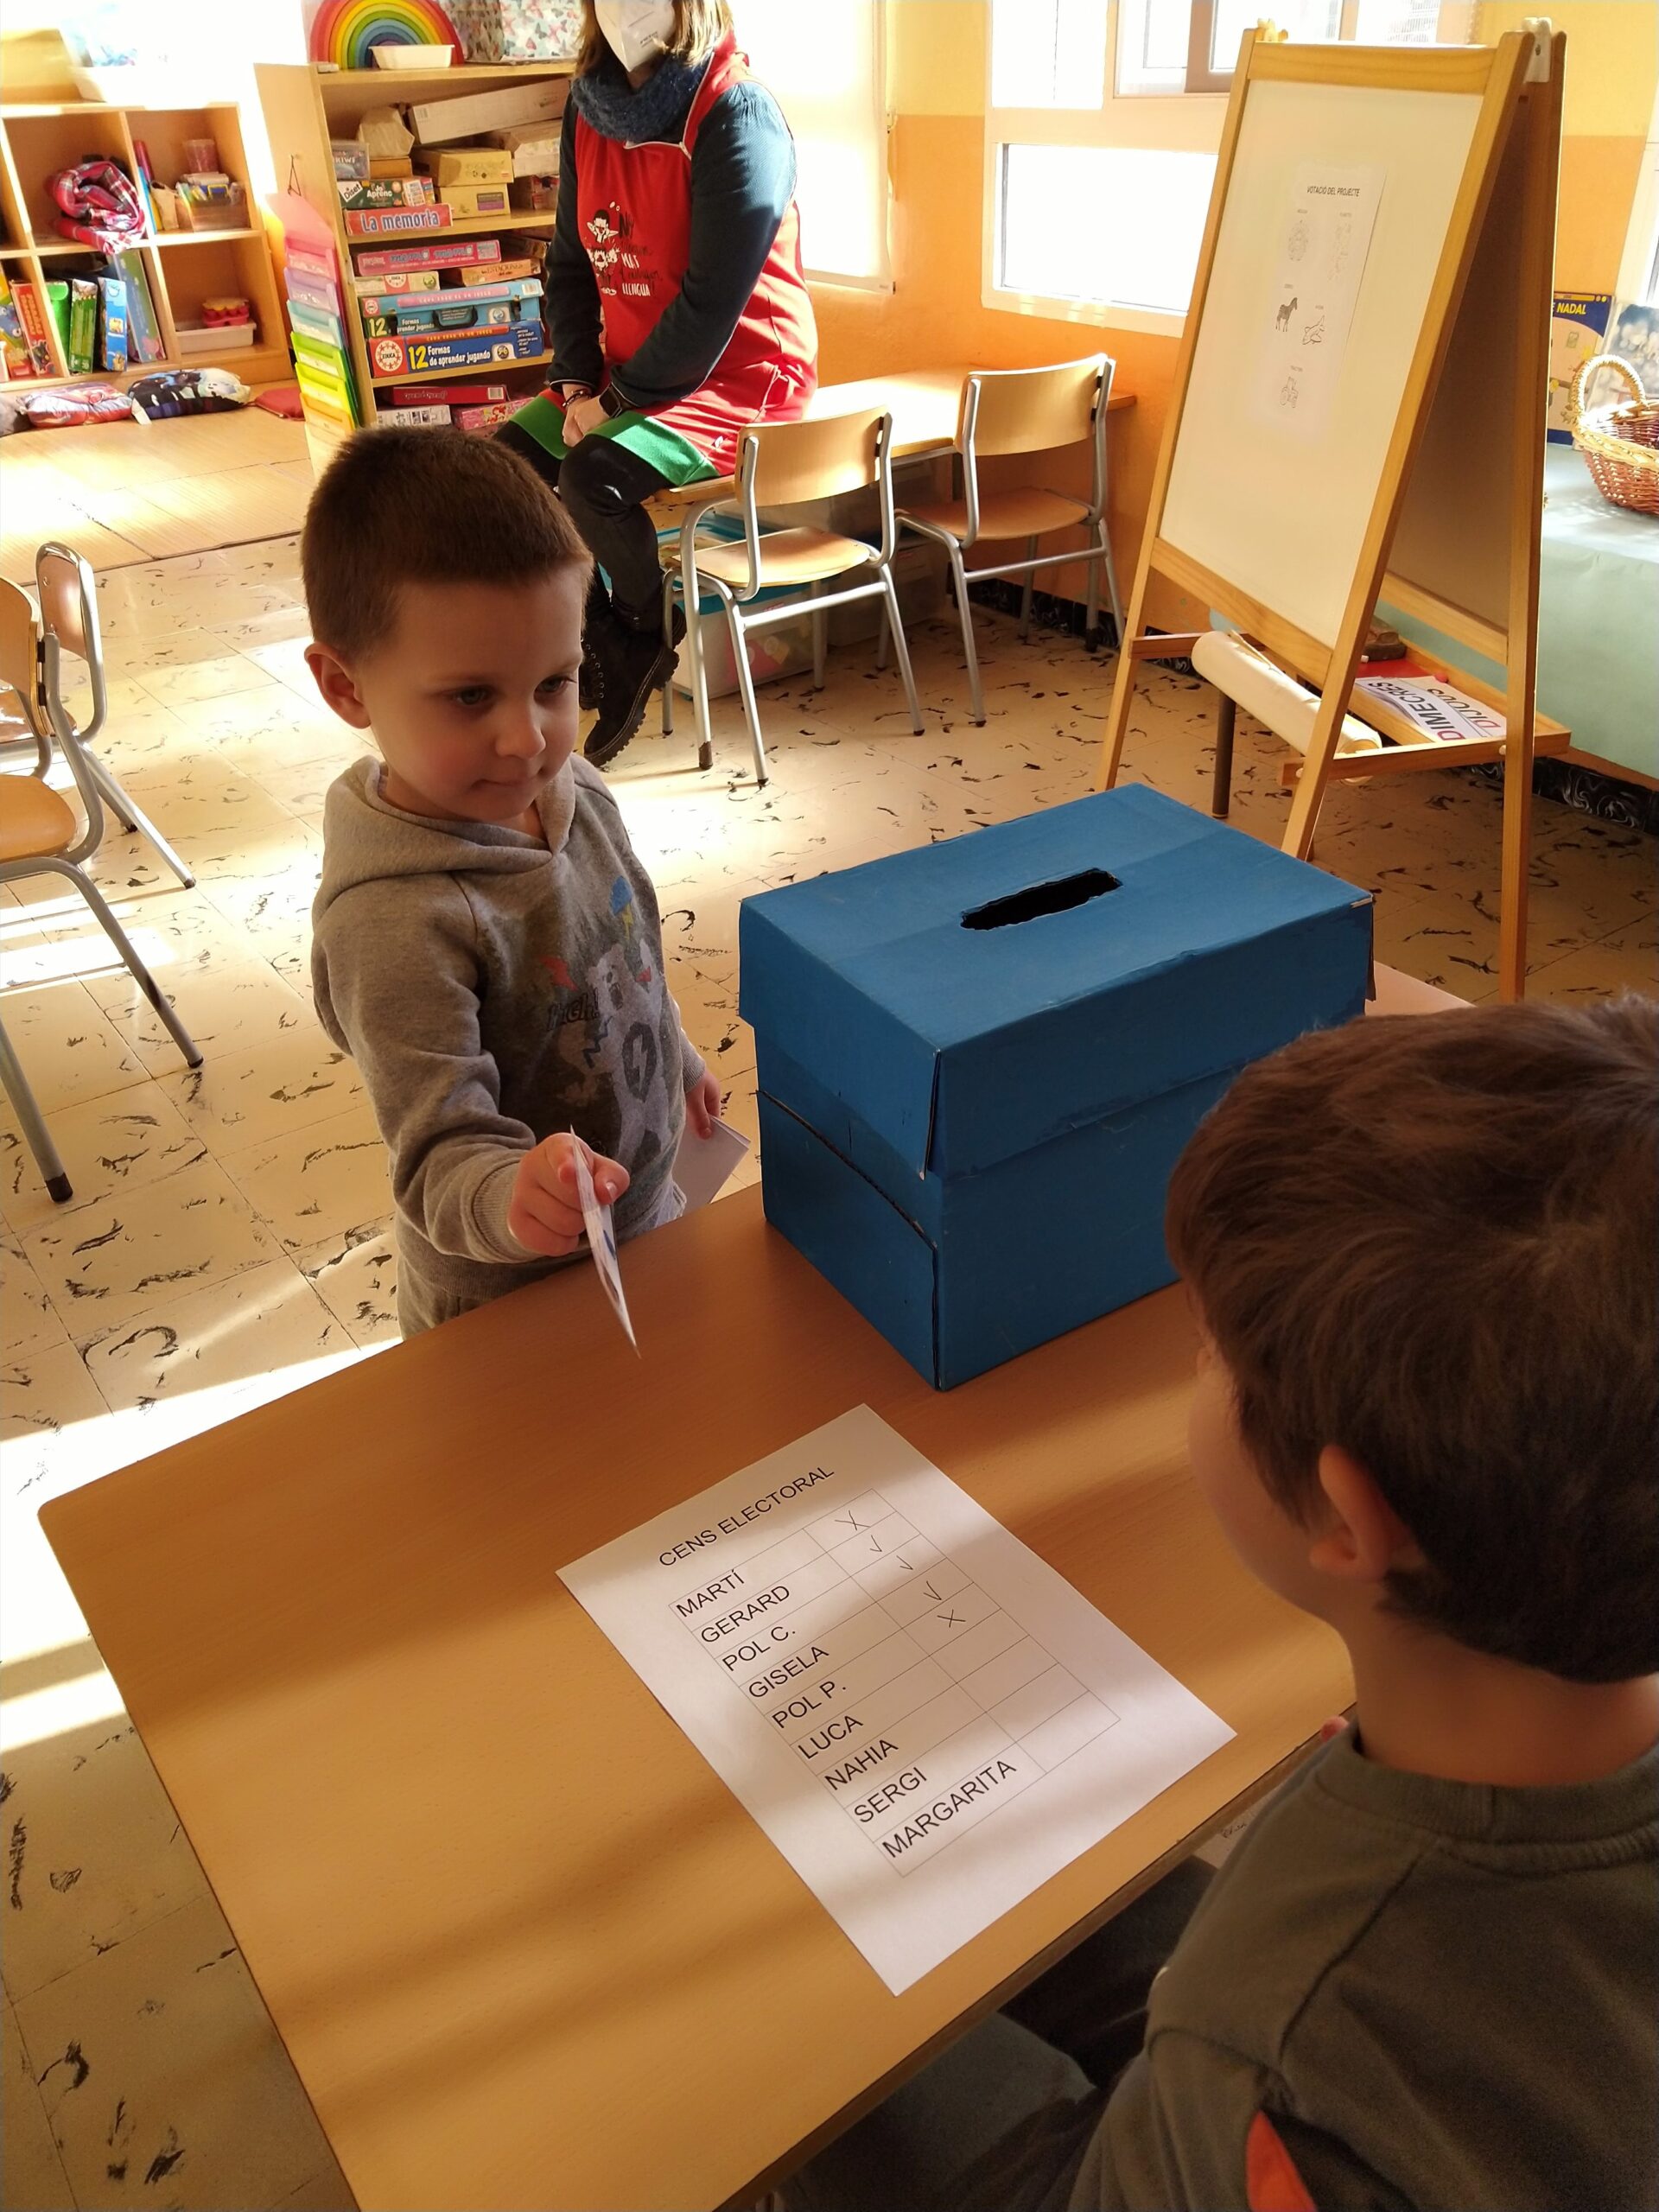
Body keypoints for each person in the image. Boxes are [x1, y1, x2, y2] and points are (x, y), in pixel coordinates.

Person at [782, 999, 1659, 2212]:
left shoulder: (1274, 2061)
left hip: (1178, 2150)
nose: (1195, 1368)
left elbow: (1246, 2066)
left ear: (1347, 1520)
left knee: (800, 2018)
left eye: (1211, 1352)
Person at [301, 429, 721, 1338]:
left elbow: (629, 965)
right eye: (470, 696)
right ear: (345, 686)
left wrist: (679, 1058)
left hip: (645, 1222)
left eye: (555, 683)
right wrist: (511, 1195)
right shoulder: (394, 922)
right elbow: (437, 1156)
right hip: (505, 1304)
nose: (527, 739)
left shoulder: (579, 791)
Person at [499, 0, 817, 767]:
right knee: (499, 470)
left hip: (742, 376)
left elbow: (711, 306)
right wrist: (577, 387)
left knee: (592, 476)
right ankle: (598, 637)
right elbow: (569, 262)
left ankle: (645, 631)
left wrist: (610, 406)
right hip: (630, 373)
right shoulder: (587, 108)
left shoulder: (738, 114)